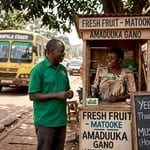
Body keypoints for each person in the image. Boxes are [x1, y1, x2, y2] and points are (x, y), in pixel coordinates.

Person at [28, 39, 74, 150]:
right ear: (51, 51)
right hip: (45, 122)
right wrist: (56, 95)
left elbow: (66, 89)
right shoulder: (38, 70)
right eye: (61, 51)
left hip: (61, 120)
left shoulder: (63, 69)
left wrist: (69, 93)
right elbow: (32, 95)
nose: (64, 54)